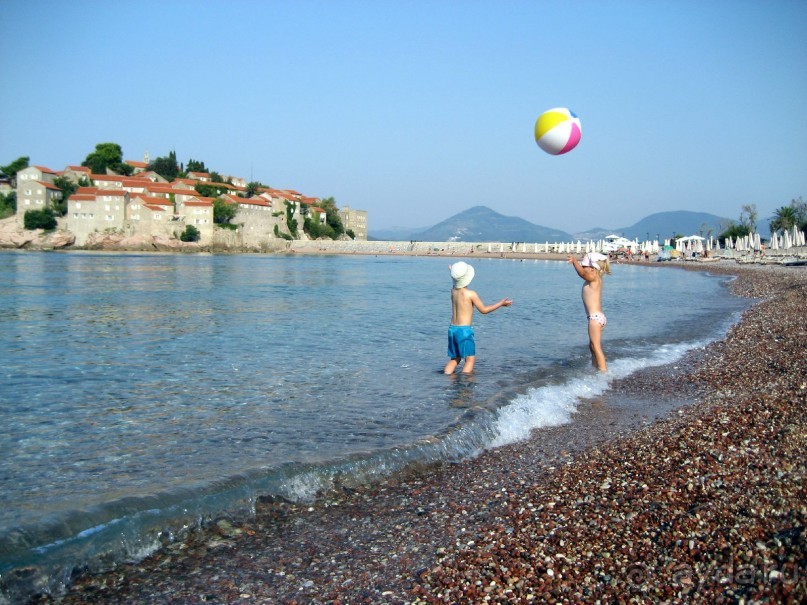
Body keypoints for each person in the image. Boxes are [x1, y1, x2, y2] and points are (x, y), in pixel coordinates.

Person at [444, 261, 512, 374]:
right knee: (470, 359)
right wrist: (500, 304)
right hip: (464, 331)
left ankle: (447, 379)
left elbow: (456, 282)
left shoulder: (453, 291)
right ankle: (465, 386)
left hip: (452, 329)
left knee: (455, 358)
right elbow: (484, 310)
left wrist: (452, 271)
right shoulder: (470, 294)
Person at [567, 252, 611, 372]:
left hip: (595, 318)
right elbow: (583, 273)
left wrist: (575, 262)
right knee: (592, 346)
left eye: (585, 266)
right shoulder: (596, 278)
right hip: (598, 318)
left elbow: (581, 273)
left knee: (596, 346)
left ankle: (604, 372)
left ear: (593, 268)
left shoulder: (593, 278)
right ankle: (595, 367)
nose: (583, 268)